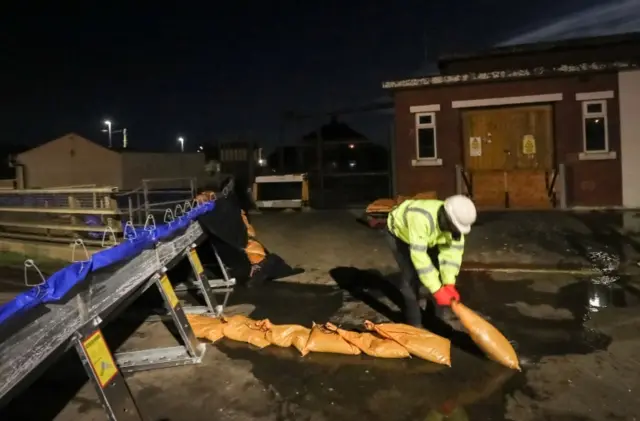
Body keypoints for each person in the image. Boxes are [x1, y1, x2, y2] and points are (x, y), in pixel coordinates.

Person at [385, 194, 477, 327]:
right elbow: (420, 258)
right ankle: (415, 325)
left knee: (437, 276)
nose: (455, 231)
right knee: (410, 280)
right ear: (446, 217)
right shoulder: (420, 218)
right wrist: (437, 290)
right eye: (454, 227)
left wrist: (448, 283)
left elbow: (452, 256)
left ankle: (434, 321)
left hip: (429, 237)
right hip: (400, 235)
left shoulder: (455, 228)